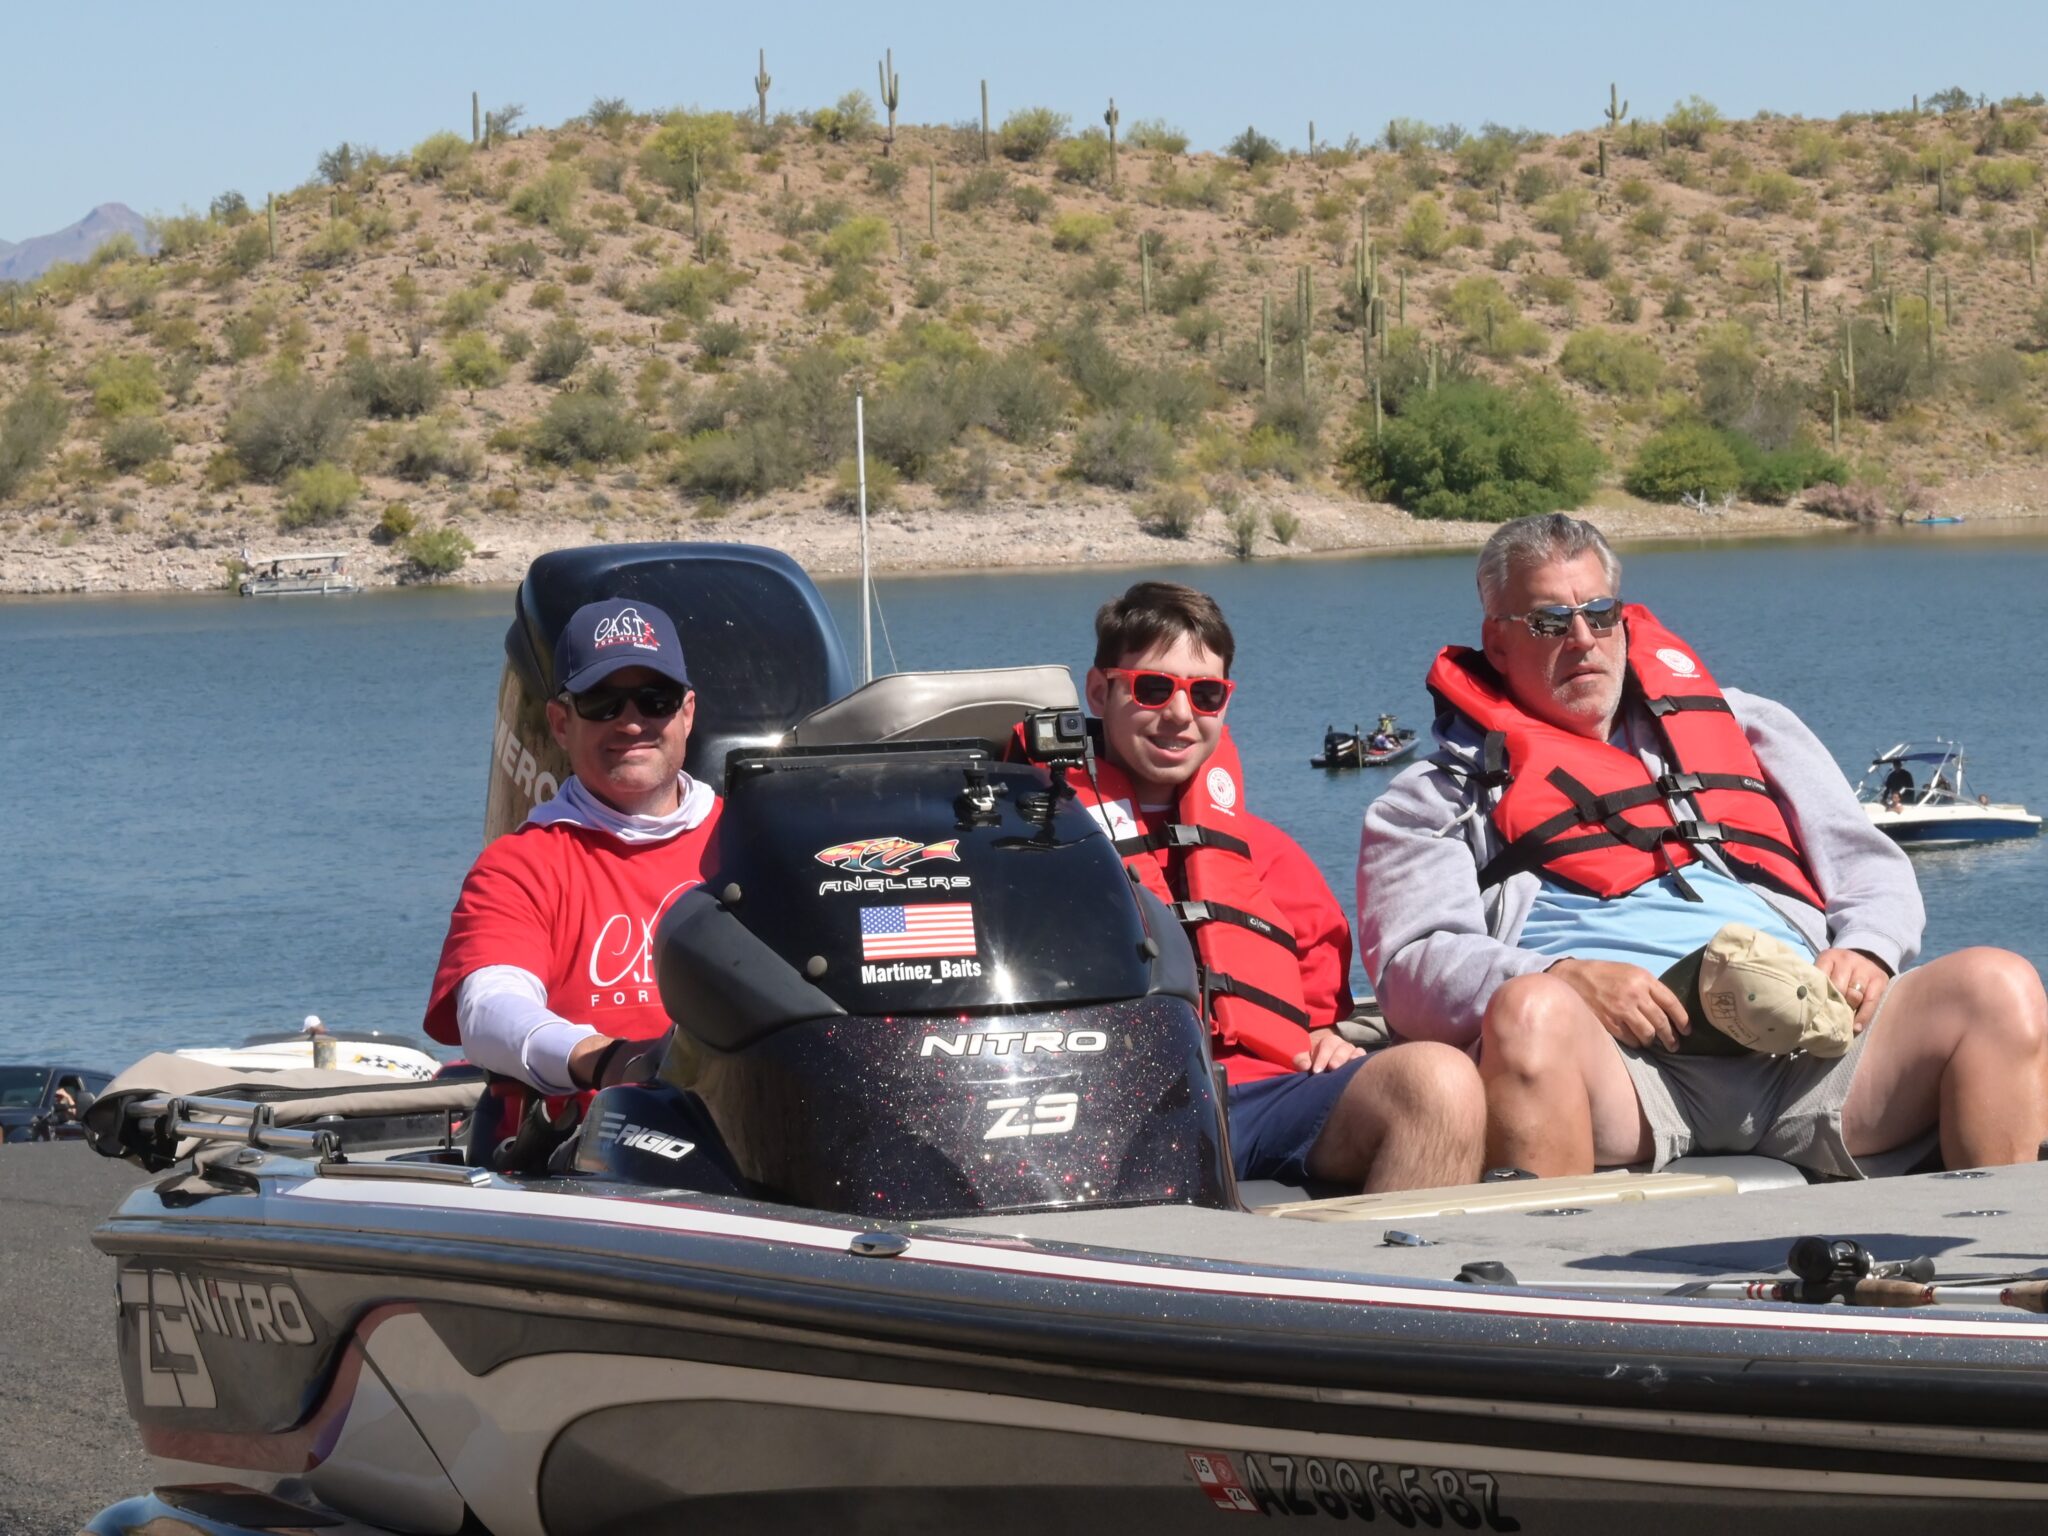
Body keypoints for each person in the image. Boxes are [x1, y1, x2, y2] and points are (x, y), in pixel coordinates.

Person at [1358, 513, 2047, 1178]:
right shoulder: (1436, 796)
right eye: (1548, 621)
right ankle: (1553, 1285)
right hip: (1621, 1069)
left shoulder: (1748, 727)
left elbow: (1871, 870)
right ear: (1498, 642)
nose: (1583, 639)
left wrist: (1866, 948)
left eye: (1600, 614)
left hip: (1806, 1042)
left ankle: (1995, 1277)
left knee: (1998, 986)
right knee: (1529, 1009)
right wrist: (1560, 973)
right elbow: (1410, 970)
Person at [1073, 581, 1485, 1193]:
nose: (1180, 715)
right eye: (1153, 688)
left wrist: (1325, 1035)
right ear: (1100, 691)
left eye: (1205, 694)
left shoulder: (1268, 853)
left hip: (1267, 1095)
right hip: (1104, 1106)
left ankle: (1393, 1282)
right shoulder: (1041, 847)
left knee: (1440, 1081)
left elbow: (1323, 1001)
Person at [425, 598, 719, 1098]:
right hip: (592, 1161)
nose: (631, 723)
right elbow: (488, 1007)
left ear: (687, 713)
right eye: (602, 701)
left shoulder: (753, 839)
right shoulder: (519, 865)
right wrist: (607, 1060)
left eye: (656, 699)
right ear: (560, 723)